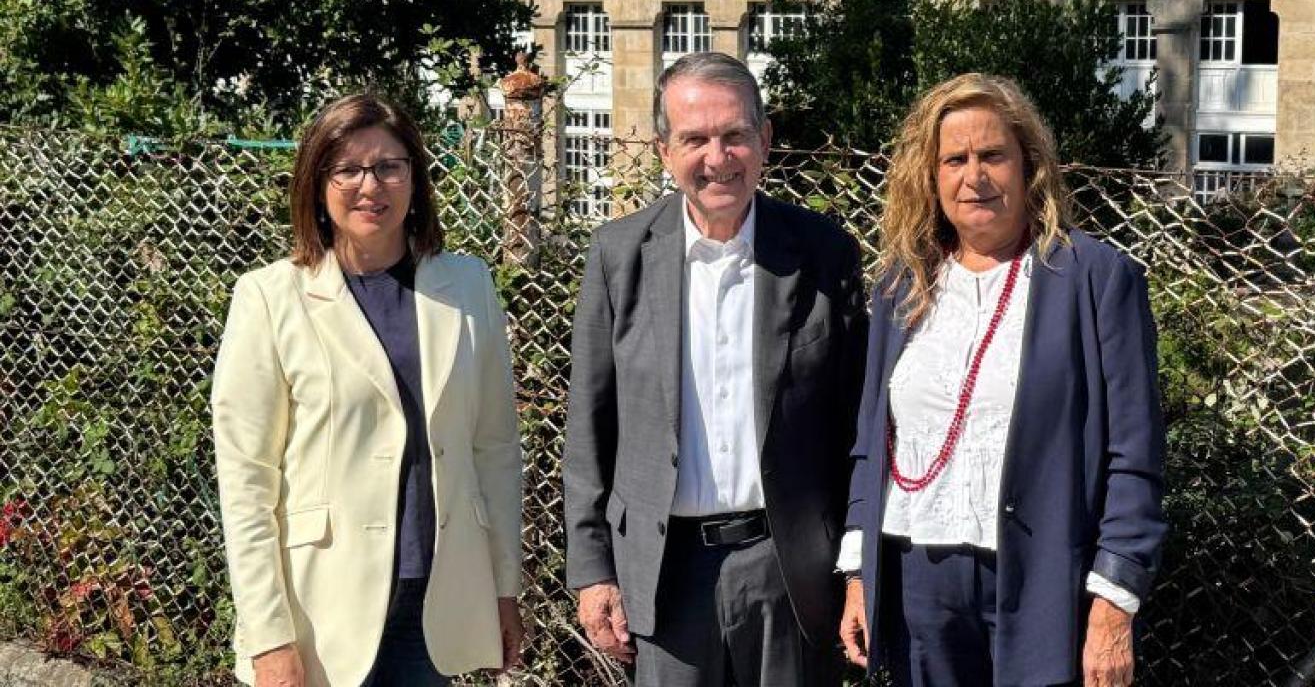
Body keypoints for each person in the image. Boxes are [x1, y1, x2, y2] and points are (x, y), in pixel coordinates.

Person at [837, 73, 1167, 687]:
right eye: (954, 159)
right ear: (930, 178)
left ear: (1029, 165)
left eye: (993, 155)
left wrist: (1116, 599)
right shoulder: (900, 289)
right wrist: (860, 575)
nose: (975, 176)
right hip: (916, 580)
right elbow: (869, 444)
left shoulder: (1094, 279)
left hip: (1043, 582)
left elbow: (1135, 454)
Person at [563, 52, 868, 686]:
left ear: (764, 140)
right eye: (694, 138)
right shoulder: (619, 256)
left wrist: (858, 565)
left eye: (734, 135)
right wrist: (592, 571)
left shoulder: (821, 253)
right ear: (664, 149)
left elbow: (856, 428)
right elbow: (590, 428)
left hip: (786, 567)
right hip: (664, 569)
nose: (717, 157)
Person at [212, 95, 526, 687]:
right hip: (320, 613)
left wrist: (504, 589)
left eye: (389, 165)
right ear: (317, 183)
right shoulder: (270, 299)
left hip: (438, 601)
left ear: (414, 177)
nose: (370, 185)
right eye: (347, 169)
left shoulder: (466, 285)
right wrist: (269, 636)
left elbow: (495, 450)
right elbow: (248, 484)